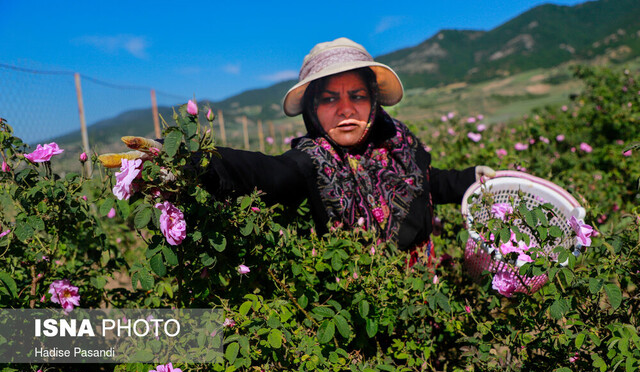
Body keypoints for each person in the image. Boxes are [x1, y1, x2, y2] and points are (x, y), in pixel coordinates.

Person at [104, 37, 495, 265]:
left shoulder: (397, 144)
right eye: (328, 99)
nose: (345, 109)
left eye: (357, 96)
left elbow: (431, 182)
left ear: (374, 102)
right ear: (311, 108)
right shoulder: (311, 162)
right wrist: (185, 160)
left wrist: (472, 178)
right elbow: (261, 172)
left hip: (424, 296)